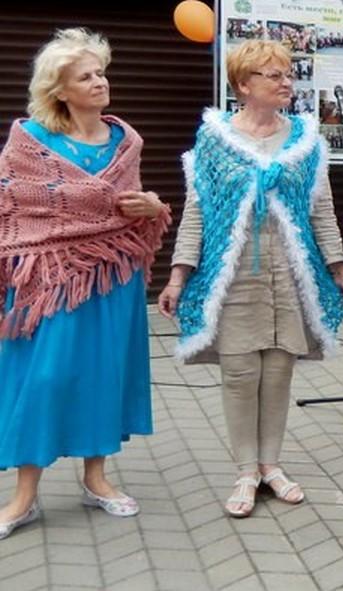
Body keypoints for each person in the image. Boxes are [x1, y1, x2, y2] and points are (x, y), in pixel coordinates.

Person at [158, 40, 343, 518]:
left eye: (288, 74)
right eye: (274, 75)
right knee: (240, 374)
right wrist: (178, 275)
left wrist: (339, 268)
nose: (287, 82)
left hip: (289, 273)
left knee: (279, 372)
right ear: (243, 85)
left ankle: (271, 465)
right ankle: (245, 471)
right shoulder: (215, 140)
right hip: (232, 276)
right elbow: (198, 211)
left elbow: (321, 211)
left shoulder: (306, 140)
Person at [0, 28, 170, 540]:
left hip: (113, 275)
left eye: (101, 73)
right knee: (44, 377)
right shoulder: (31, 142)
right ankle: (24, 496)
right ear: (59, 90)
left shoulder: (125, 141)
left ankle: (96, 478)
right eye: (86, 77)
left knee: (103, 373)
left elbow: (131, 205)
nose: (100, 82)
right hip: (49, 279)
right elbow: (14, 208)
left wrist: (152, 206)